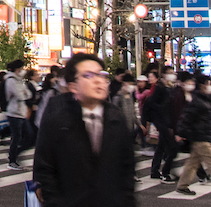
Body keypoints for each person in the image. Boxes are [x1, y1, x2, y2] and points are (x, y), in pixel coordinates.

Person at [30, 53, 135, 207]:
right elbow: (45, 167)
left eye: (101, 75)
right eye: (88, 76)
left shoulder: (116, 117)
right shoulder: (58, 117)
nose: (98, 80)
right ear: (73, 86)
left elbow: (127, 170)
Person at [173, 74, 211, 196]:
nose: (210, 86)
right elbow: (186, 118)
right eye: (207, 84)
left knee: (192, 163)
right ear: (201, 85)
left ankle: (182, 185)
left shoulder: (203, 98)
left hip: (202, 134)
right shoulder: (197, 101)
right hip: (200, 136)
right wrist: (180, 132)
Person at [5, 59, 34, 169]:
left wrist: (24, 93)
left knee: (29, 135)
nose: (22, 70)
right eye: (21, 68)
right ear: (17, 69)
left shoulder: (19, 80)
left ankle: (15, 154)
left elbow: (29, 94)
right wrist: (23, 93)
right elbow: (20, 96)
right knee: (16, 137)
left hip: (21, 112)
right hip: (14, 112)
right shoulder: (11, 80)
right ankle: (12, 159)